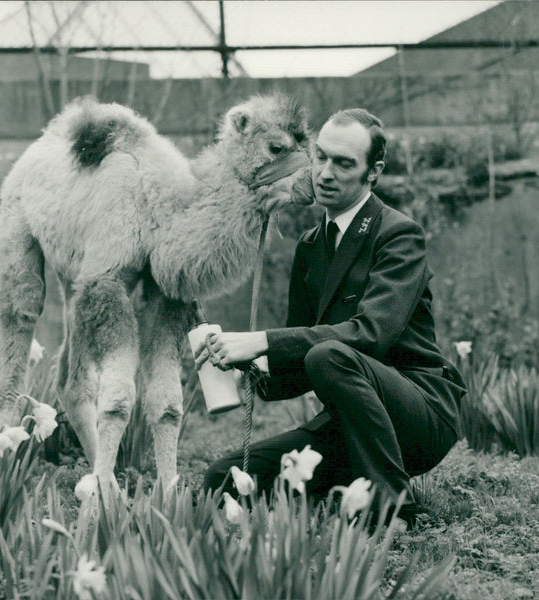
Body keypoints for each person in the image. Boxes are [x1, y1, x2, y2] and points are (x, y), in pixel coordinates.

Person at [196, 108, 466, 526]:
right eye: (320, 156)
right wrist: (250, 369)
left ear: (373, 172)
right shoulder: (310, 246)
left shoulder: (398, 234)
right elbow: (297, 369)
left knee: (330, 356)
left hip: (418, 416)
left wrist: (261, 340)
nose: (324, 172)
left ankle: (396, 509)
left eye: (343, 163)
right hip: (348, 422)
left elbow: (370, 335)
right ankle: (345, 486)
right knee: (225, 478)